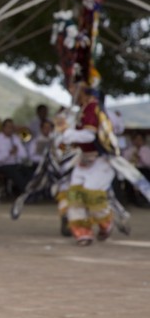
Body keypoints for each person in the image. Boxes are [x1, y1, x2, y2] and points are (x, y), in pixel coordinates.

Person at [60, 83, 115, 246]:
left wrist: (67, 134)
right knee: (74, 195)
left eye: (73, 89)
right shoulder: (82, 109)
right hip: (83, 158)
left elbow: (90, 136)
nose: (71, 92)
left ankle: (105, 223)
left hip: (100, 160)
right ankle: (82, 231)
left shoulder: (93, 107)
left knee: (92, 195)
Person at [0, 118, 31, 197]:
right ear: (3, 128)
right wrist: (8, 153)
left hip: (15, 163)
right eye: (8, 127)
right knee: (15, 173)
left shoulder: (15, 138)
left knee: (28, 171)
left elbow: (24, 155)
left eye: (12, 127)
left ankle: (31, 191)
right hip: (2, 165)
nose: (10, 129)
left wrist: (17, 151)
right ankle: (26, 193)